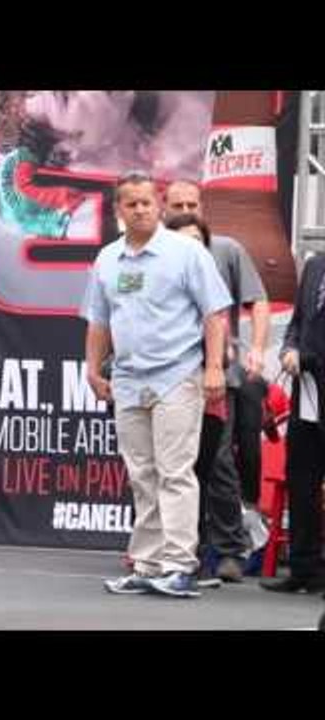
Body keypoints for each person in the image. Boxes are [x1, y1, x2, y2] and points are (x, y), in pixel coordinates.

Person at [82, 171, 231, 599]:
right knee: (141, 475)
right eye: (131, 203)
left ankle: (181, 564)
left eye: (147, 202)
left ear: (159, 206)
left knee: (175, 471)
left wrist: (214, 367)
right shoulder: (108, 259)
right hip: (127, 379)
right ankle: (147, 563)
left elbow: (214, 315)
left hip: (177, 375)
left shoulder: (186, 252)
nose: (141, 209)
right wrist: (92, 369)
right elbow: (99, 320)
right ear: (118, 211)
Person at [163, 181, 269, 583]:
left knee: (220, 463)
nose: (186, 208)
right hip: (164, 375)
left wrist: (257, 348)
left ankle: (229, 550)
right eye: (178, 204)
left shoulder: (224, 249)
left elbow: (256, 301)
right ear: (165, 208)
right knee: (167, 465)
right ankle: (170, 548)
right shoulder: (152, 256)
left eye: (192, 203)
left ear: (202, 207)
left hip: (215, 377)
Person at [260, 253, 325, 594]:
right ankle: (304, 569)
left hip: (316, 373)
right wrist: (289, 348)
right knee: (302, 484)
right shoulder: (315, 266)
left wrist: (310, 357)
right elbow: (299, 322)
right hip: (307, 396)